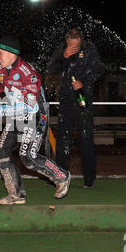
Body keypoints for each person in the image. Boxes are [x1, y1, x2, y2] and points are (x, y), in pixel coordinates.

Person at [0, 35, 70, 205]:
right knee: (1, 154)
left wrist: (0, 111)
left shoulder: (28, 73)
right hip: (16, 114)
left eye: (0, 53)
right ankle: (16, 194)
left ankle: (61, 176)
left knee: (28, 156)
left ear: (11, 53)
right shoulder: (0, 71)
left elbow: (30, 107)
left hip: (35, 115)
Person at [47, 28, 105, 188]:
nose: (74, 48)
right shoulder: (61, 49)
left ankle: (89, 180)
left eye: (76, 46)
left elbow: (100, 69)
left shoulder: (90, 49)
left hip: (83, 99)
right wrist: (63, 56)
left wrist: (84, 82)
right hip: (65, 100)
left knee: (86, 139)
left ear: (81, 41)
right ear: (67, 41)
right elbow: (51, 68)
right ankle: (60, 177)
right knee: (62, 141)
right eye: (71, 45)